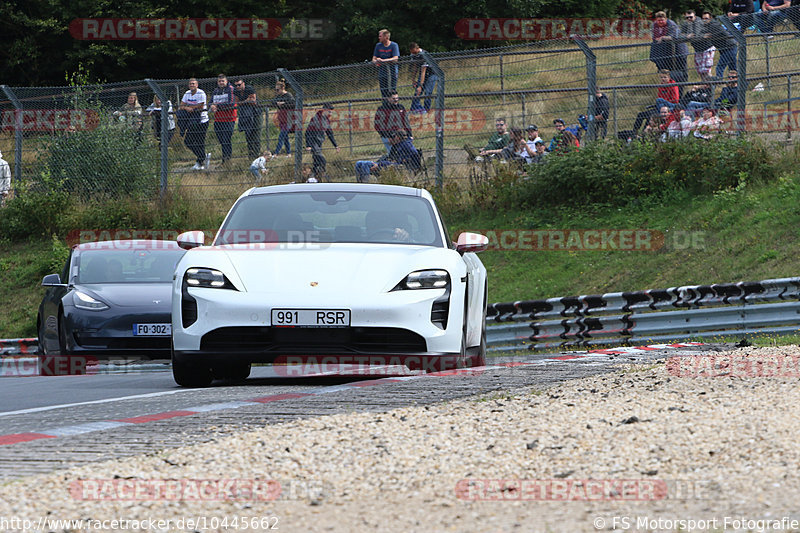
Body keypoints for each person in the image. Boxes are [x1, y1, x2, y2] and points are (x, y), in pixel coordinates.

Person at [355, 132, 421, 183]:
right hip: (387, 164)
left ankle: (364, 184)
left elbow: (401, 163)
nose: (389, 140)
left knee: (366, 165)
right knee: (359, 163)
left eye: (390, 138)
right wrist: (379, 163)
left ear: (397, 138)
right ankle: (359, 183)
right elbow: (391, 158)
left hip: (397, 167)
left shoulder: (406, 146)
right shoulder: (396, 146)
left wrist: (380, 164)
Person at [649, 11, 689, 85]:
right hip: (665, 52)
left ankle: (682, 85)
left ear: (666, 19)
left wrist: (663, 37)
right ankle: (667, 86)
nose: (660, 22)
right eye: (658, 20)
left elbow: (673, 36)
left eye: (662, 20)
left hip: (678, 51)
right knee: (666, 69)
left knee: (680, 70)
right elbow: (654, 37)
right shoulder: (655, 25)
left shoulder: (671, 24)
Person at [179, 78, 210, 170]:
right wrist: (188, 108)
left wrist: (187, 107)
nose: (191, 85)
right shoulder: (187, 93)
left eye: (193, 83)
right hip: (191, 121)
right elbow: (181, 106)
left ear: (197, 84)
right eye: (190, 84)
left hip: (202, 121)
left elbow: (201, 106)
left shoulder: (201, 93)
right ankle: (203, 156)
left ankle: (200, 162)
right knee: (188, 141)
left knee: (200, 141)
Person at [305, 103, 340, 181]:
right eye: (329, 112)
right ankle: (321, 176)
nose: (330, 114)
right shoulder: (315, 119)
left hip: (319, 143)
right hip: (313, 142)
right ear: (325, 110)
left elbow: (330, 133)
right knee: (322, 160)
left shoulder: (326, 120)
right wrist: (308, 145)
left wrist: (336, 146)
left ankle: (313, 178)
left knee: (316, 162)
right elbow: (308, 132)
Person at [209, 73, 237, 165]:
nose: (221, 83)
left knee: (226, 139)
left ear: (226, 81)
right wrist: (212, 106)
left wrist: (217, 105)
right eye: (219, 81)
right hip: (218, 119)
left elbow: (231, 103)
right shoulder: (215, 91)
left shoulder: (231, 89)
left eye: (222, 81)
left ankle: (226, 160)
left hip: (229, 119)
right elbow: (210, 102)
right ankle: (225, 159)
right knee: (221, 140)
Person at [702, 12, 738, 79]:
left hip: (730, 47)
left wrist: (702, 36)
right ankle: (737, 82)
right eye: (703, 18)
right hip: (725, 48)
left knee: (720, 67)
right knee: (733, 68)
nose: (704, 20)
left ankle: (719, 81)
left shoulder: (713, 25)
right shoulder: (706, 26)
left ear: (710, 18)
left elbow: (708, 35)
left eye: (706, 18)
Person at [681, 10, 715, 80]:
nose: (689, 19)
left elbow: (697, 36)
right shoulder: (685, 24)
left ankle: (711, 86)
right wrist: (687, 36)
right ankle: (705, 86)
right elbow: (680, 35)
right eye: (687, 17)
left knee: (706, 69)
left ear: (695, 16)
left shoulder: (698, 22)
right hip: (698, 49)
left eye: (691, 17)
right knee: (700, 71)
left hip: (707, 48)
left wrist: (689, 37)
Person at [233, 77, 261, 159]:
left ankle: (256, 155)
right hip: (245, 114)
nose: (238, 87)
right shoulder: (235, 91)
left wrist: (244, 102)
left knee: (256, 134)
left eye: (239, 85)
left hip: (255, 113)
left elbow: (253, 101)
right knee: (248, 135)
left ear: (243, 84)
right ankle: (251, 155)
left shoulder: (249, 88)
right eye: (236, 85)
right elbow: (237, 103)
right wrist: (246, 100)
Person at [409, 42, 438, 114]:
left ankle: (426, 110)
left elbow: (423, 71)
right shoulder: (413, 55)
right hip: (422, 73)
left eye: (414, 52)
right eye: (412, 52)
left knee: (428, 92)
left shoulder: (424, 55)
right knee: (417, 93)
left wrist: (420, 85)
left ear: (417, 48)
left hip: (432, 74)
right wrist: (413, 80)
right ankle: (413, 110)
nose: (413, 54)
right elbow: (415, 67)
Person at [271, 79, 295, 156]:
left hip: (289, 119)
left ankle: (276, 153)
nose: (276, 91)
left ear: (282, 88)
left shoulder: (288, 95)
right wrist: (278, 103)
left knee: (281, 136)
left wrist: (283, 104)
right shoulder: (278, 96)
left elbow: (293, 104)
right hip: (281, 119)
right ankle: (288, 153)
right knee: (285, 138)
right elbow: (273, 102)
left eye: (277, 90)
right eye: (275, 90)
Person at [372, 29, 400, 97]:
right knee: (383, 90)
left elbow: (396, 58)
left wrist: (383, 61)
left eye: (380, 36)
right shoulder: (378, 46)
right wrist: (376, 61)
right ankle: (385, 105)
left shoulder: (394, 45)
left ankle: (392, 105)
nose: (379, 38)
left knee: (392, 91)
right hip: (382, 72)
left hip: (392, 71)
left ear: (386, 37)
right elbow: (374, 58)